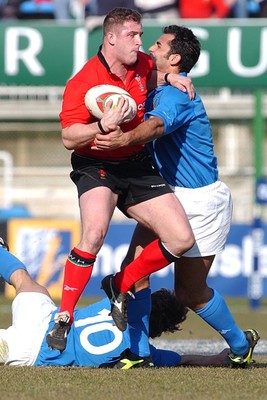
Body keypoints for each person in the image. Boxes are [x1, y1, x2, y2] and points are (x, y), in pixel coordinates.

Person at [93, 25, 260, 368]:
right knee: (135, 270)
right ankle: (138, 353)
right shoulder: (163, 83)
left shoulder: (176, 97)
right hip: (169, 194)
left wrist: (123, 140)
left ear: (175, 58)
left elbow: (155, 127)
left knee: (189, 293)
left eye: (157, 44)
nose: (148, 48)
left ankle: (241, 345)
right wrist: (167, 79)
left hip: (201, 202)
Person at [46, 7, 196, 352]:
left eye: (142, 35)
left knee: (181, 238)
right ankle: (64, 317)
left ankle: (119, 283)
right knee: (95, 233)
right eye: (133, 35)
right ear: (111, 38)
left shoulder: (143, 64)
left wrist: (171, 78)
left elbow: (153, 77)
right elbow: (69, 137)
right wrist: (101, 125)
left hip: (135, 163)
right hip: (96, 163)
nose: (141, 42)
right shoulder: (83, 81)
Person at [0, 239, 232, 368]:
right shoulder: (143, 353)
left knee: (25, 281)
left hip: (50, 322)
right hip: (34, 351)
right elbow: (186, 359)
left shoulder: (111, 302)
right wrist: (218, 358)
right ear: (161, 330)